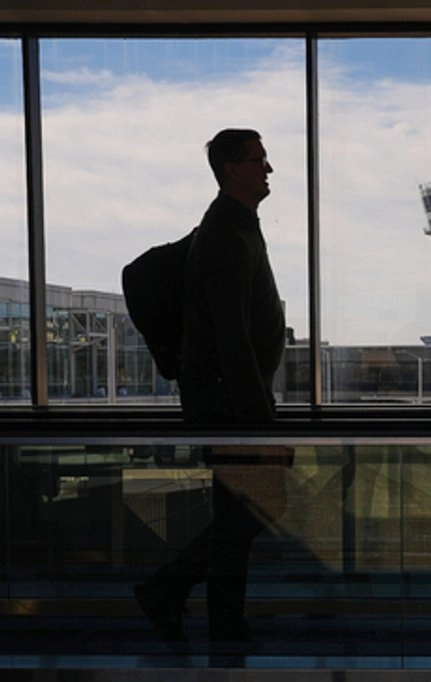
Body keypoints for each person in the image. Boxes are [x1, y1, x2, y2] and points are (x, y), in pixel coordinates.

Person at [135, 128, 286, 645]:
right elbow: (231, 339)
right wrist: (259, 426)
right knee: (251, 508)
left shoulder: (235, 226)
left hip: (230, 401)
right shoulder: (225, 235)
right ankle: (206, 614)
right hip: (230, 406)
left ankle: (187, 601)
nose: (268, 169)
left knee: (242, 512)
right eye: (259, 160)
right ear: (231, 169)